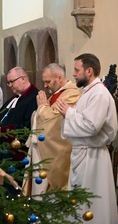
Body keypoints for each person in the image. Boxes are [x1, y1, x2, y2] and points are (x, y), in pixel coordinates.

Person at [56, 53, 118, 223]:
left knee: (93, 204)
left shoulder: (99, 94)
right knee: (80, 203)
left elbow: (91, 126)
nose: (74, 74)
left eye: (77, 70)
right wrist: (69, 114)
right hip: (83, 154)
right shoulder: (88, 91)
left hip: (93, 156)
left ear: (89, 71)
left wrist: (69, 113)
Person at [23, 63, 81, 195]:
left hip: (55, 148)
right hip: (41, 147)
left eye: (48, 81)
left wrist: (42, 108)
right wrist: (41, 110)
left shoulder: (72, 94)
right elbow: (39, 117)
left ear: (59, 78)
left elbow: (54, 120)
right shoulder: (56, 94)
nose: (45, 85)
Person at [0, 67, 39, 161]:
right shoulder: (14, 98)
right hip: (2, 149)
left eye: (12, 81)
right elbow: (0, 116)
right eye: (8, 82)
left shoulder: (34, 97)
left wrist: (3, 131)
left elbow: (27, 126)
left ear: (23, 79)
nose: (10, 85)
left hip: (17, 153)